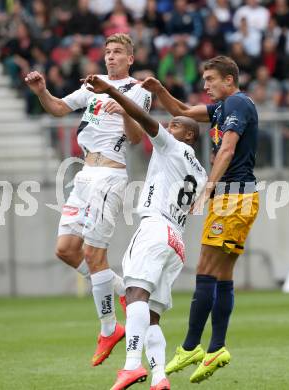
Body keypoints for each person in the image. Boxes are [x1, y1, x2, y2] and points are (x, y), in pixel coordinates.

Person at [24, 33, 152, 367]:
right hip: (84, 176)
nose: (111, 57)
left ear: (130, 59)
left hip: (110, 175)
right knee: (66, 250)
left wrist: (122, 106)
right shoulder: (94, 86)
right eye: (108, 52)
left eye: (118, 52)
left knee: (95, 254)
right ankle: (124, 291)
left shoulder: (138, 91)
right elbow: (57, 108)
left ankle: (109, 329)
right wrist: (41, 91)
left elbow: (137, 138)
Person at [82, 74, 207, 390]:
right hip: (177, 241)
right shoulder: (202, 173)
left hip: (156, 226)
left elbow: (143, 119)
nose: (168, 127)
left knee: (135, 294)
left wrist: (111, 91)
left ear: (189, 135)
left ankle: (131, 365)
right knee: (150, 316)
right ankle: (160, 377)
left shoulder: (173, 147)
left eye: (175, 125)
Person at [141, 55, 259, 384]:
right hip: (238, 196)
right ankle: (216, 347)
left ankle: (192, 346)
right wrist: (160, 90)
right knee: (221, 274)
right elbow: (181, 110)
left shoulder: (236, 103)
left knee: (206, 270)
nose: (205, 85)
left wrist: (208, 187)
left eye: (210, 79)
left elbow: (228, 149)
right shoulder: (223, 107)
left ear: (229, 80)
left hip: (232, 197)